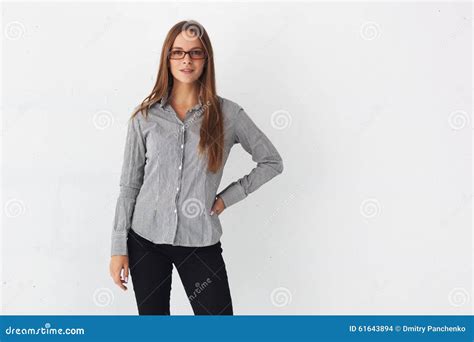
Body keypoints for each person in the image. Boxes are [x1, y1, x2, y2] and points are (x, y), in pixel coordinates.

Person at [108, 20, 284, 315]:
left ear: (206, 59)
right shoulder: (145, 118)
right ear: (167, 58)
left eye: (195, 53)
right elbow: (129, 186)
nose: (186, 60)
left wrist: (227, 198)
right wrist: (118, 248)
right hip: (144, 240)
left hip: (199, 241)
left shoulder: (229, 115)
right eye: (177, 52)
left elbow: (271, 162)